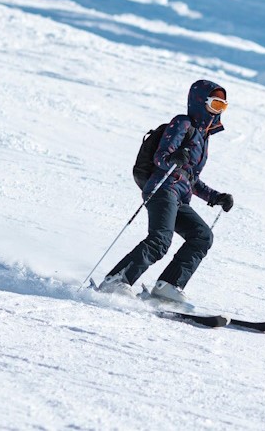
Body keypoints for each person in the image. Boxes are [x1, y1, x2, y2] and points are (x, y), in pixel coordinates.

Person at [98, 79, 234, 303]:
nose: (218, 111)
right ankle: (116, 280)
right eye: (215, 104)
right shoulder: (183, 123)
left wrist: (216, 197)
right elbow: (160, 157)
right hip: (162, 189)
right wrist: (173, 157)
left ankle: (168, 286)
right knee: (160, 240)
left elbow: (192, 179)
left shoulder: (203, 137)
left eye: (222, 106)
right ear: (200, 102)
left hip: (180, 196)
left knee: (202, 236)